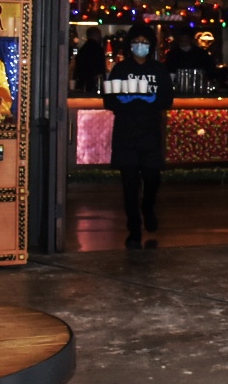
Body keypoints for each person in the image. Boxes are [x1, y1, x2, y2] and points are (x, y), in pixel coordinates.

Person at [102, 23, 173, 248]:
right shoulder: (121, 69)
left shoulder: (158, 70)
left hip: (150, 133)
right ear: (130, 44)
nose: (140, 46)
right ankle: (134, 229)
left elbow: (167, 100)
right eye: (137, 42)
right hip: (126, 134)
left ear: (151, 45)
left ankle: (148, 207)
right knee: (130, 185)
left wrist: (151, 100)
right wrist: (124, 100)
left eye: (144, 42)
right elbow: (108, 100)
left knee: (152, 177)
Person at [73, 26, 106, 94]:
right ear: (97, 35)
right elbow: (100, 69)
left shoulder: (82, 50)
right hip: (94, 84)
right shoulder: (98, 49)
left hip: (82, 84)